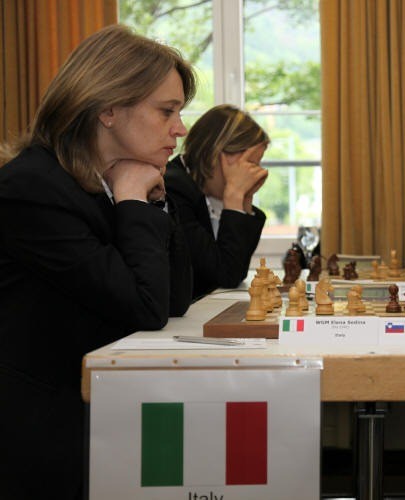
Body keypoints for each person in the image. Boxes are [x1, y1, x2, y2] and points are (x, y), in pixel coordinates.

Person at [0, 25, 195, 499]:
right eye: (167, 111)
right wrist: (132, 201)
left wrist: (146, 200)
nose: (180, 128)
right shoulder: (33, 188)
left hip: (94, 414)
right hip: (38, 435)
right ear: (108, 108)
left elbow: (176, 298)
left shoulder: (110, 181)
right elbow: (146, 307)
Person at [164, 105, 269, 299]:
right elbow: (224, 276)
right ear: (217, 155)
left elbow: (237, 272)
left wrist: (245, 200)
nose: (257, 172)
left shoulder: (203, 192)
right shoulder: (174, 189)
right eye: (251, 164)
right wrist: (235, 196)